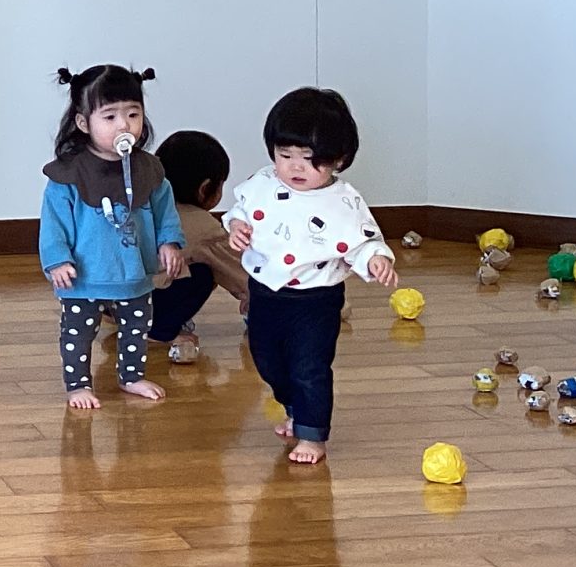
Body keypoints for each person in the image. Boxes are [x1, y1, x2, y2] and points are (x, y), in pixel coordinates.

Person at [223, 88, 396, 466]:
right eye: (285, 155)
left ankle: (312, 433)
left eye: (309, 159)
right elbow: (240, 210)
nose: (295, 167)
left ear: (339, 159)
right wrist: (236, 226)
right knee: (266, 359)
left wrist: (376, 259)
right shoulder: (263, 182)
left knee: (309, 366)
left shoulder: (344, 201)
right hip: (265, 291)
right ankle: (295, 408)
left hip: (316, 300)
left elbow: (365, 240)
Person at [38, 66, 187, 409]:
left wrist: (169, 242)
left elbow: (165, 211)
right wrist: (57, 260)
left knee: (137, 325)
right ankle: (78, 384)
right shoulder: (68, 174)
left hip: (133, 271)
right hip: (84, 276)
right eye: (110, 117)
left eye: (133, 114)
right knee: (78, 331)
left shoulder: (149, 169)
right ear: (82, 123)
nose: (124, 125)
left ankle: (131, 376)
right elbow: (53, 223)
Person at [151, 128, 248, 343]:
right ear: (205, 188)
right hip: (147, 301)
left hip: (109, 300)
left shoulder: (144, 206)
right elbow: (236, 270)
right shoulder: (202, 225)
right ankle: (158, 330)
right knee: (202, 275)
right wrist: (252, 295)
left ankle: (125, 319)